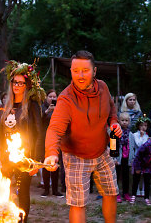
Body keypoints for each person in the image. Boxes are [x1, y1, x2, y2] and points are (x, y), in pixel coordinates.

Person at [44, 50, 122, 223]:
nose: (80, 75)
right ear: (71, 71)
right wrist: (51, 152)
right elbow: (55, 129)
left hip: (102, 151)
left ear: (94, 71)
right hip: (76, 156)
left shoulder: (103, 87)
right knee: (78, 204)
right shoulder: (66, 98)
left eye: (85, 70)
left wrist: (114, 123)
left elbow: (111, 109)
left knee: (111, 192)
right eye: (75, 70)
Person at [0, 60, 45, 223]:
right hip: (7, 157)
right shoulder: (7, 105)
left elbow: (39, 133)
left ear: (27, 85)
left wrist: (36, 160)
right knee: (6, 190)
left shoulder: (32, 106)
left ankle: (22, 220)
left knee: (23, 191)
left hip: (25, 157)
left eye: (21, 83)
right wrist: (1, 157)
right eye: (14, 82)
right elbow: (1, 135)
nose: (17, 86)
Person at [130, 131, 151, 206]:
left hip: (149, 167)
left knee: (147, 182)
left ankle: (146, 197)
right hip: (139, 164)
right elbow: (138, 156)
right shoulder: (146, 145)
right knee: (136, 180)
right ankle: (133, 195)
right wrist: (137, 167)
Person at [40, 89, 64, 198]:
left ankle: (55, 190)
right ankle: (46, 189)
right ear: (46, 98)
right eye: (50, 96)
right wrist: (47, 112)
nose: (53, 99)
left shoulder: (60, 108)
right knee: (45, 165)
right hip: (43, 140)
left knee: (55, 164)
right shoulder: (42, 108)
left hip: (56, 140)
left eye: (55, 97)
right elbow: (38, 122)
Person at [114, 112, 135, 203]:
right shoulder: (116, 133)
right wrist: (114, 158)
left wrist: (132, 158)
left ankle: (126, 193)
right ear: (119, 121)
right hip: (118, 159)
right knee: (117, 176)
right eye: (122, 120)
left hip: (127, 158)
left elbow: (132, 146)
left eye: (126, 120)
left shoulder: (131, 134)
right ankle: (116, 193)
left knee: (126, 176)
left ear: (129, 122)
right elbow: (113, 146)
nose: (124, 122)